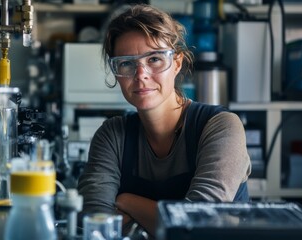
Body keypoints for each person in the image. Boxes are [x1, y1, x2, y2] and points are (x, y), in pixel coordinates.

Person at [77, 3, 251, 238]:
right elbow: (96, 226)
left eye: (155, 59)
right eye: (127, 63)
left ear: (177, 63)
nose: (141, 75)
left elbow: (197, 225)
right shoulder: (112, 135)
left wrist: (128, 202)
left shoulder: (221, 127)